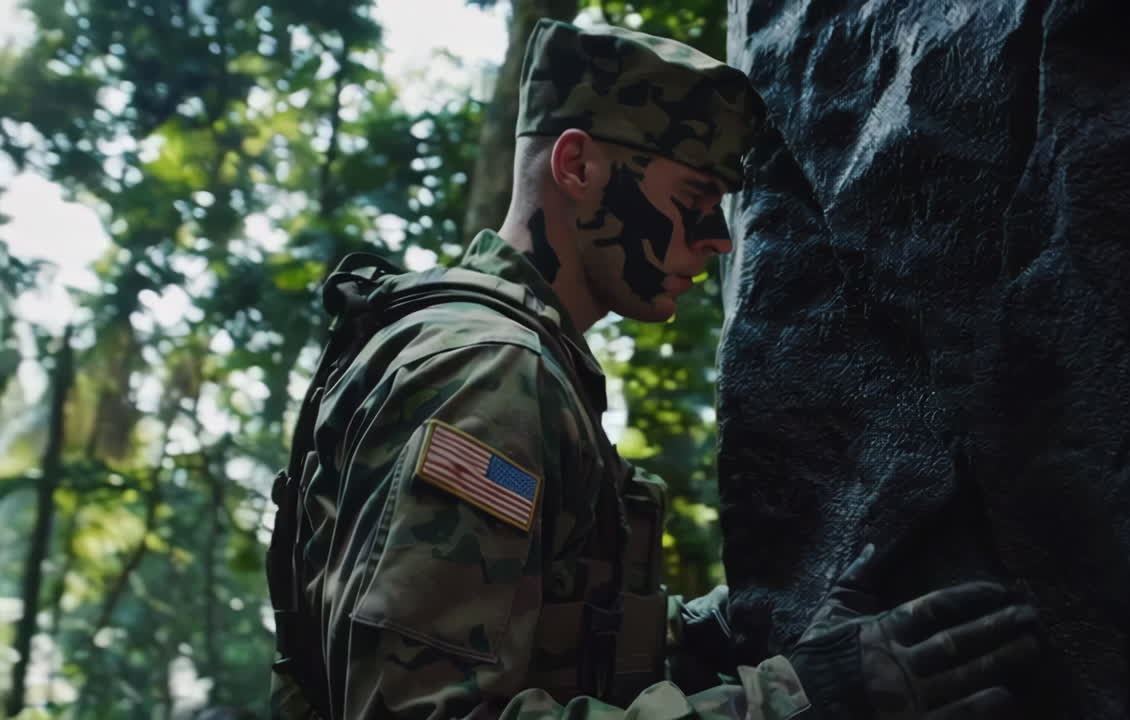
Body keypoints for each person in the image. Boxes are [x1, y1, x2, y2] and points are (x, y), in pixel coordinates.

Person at [266, 18, 1042, 720]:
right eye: (695, 195)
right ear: (576, 165)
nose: (718, 238)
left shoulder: (497, 351)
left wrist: (704, 631)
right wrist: (802, 698)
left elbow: (536, 632)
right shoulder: (488, 371)